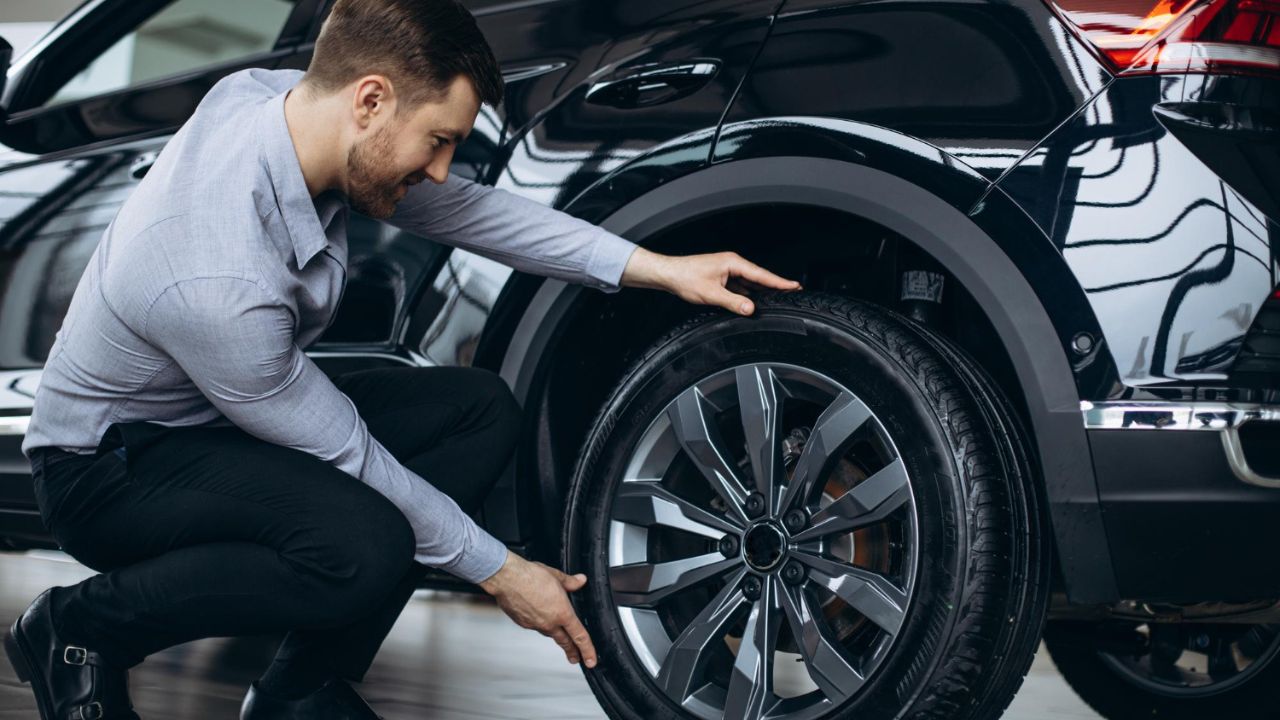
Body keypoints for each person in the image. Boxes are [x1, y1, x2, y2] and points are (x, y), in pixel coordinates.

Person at [1, 0, 802, 718]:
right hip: (105, 471)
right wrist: (501, 571)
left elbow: (465, 210)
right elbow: (349, 451)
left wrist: (656, 267)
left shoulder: (268, 99)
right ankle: (79, 629)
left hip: (208, 417)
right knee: (362, 548)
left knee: (475, 410)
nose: (441, 168)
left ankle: (299, 693)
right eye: (439, 141)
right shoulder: (216, 279)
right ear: (372, 99)